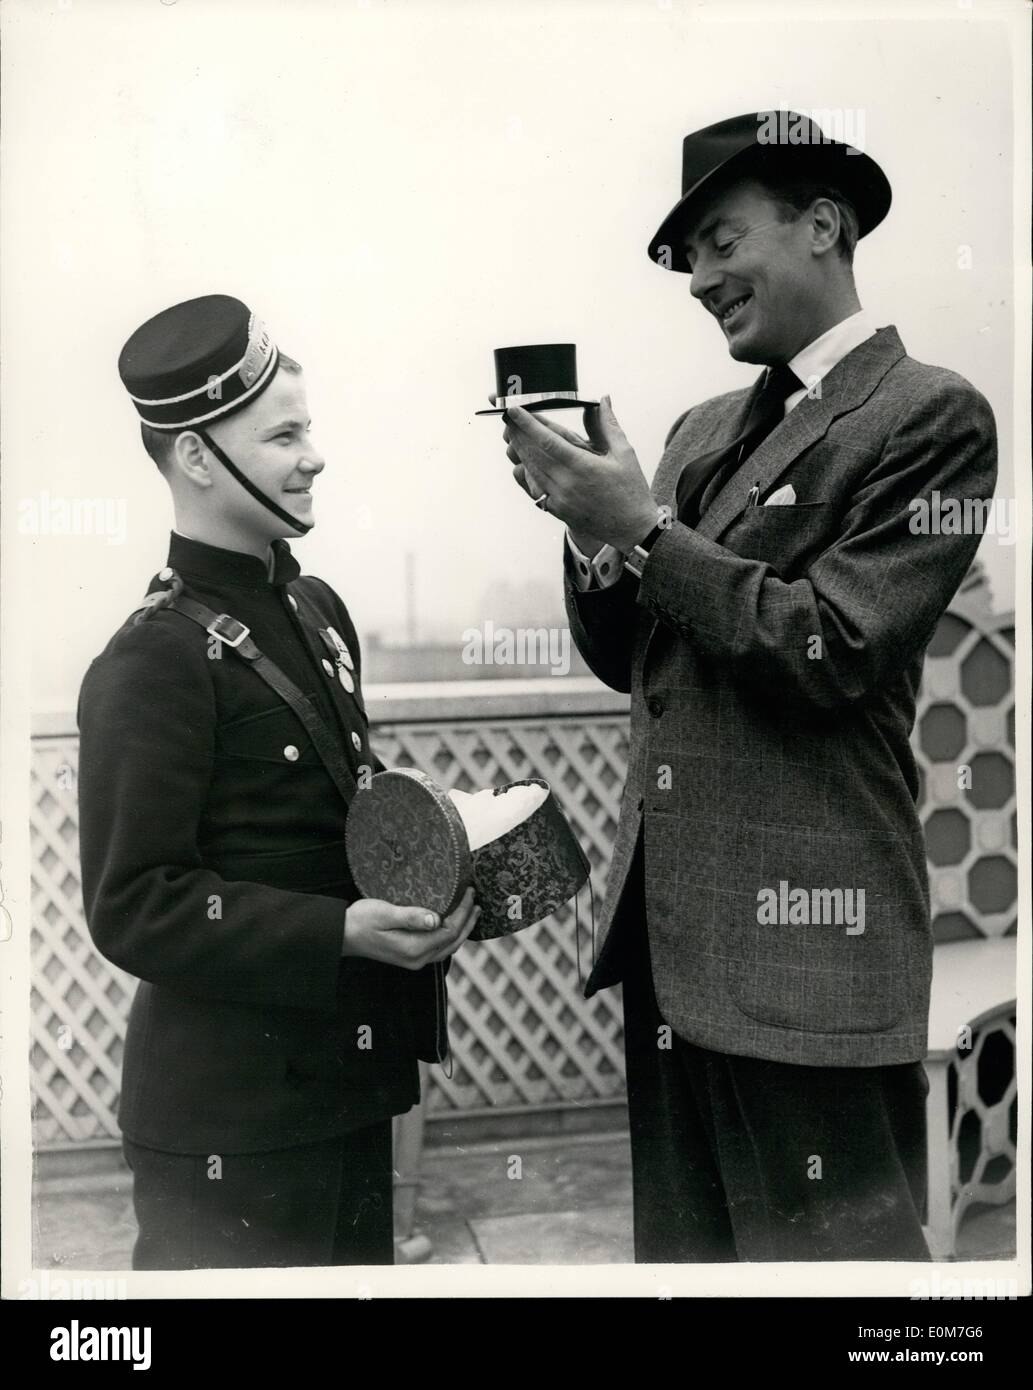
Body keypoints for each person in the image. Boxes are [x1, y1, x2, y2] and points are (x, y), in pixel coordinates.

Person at [499, 111, 997, 1261]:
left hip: (811, 968)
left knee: (837, 1294)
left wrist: (643, 527)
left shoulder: (930, 415)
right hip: (672, 965)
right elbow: (632, 656)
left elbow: (834, 648)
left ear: (822, 224)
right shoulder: (694, 431)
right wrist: (593, 538)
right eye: (686, 259)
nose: (698, 280)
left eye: (720, 242)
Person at [77, 294, 479, 1269]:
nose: (315, 454)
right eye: (284, 434)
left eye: (310, 428)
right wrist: (337, 932)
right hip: (232, 1122)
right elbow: (133, 903)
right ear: (198, 457)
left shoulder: (313, 606)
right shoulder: (151, 659)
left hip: (344, 1085)